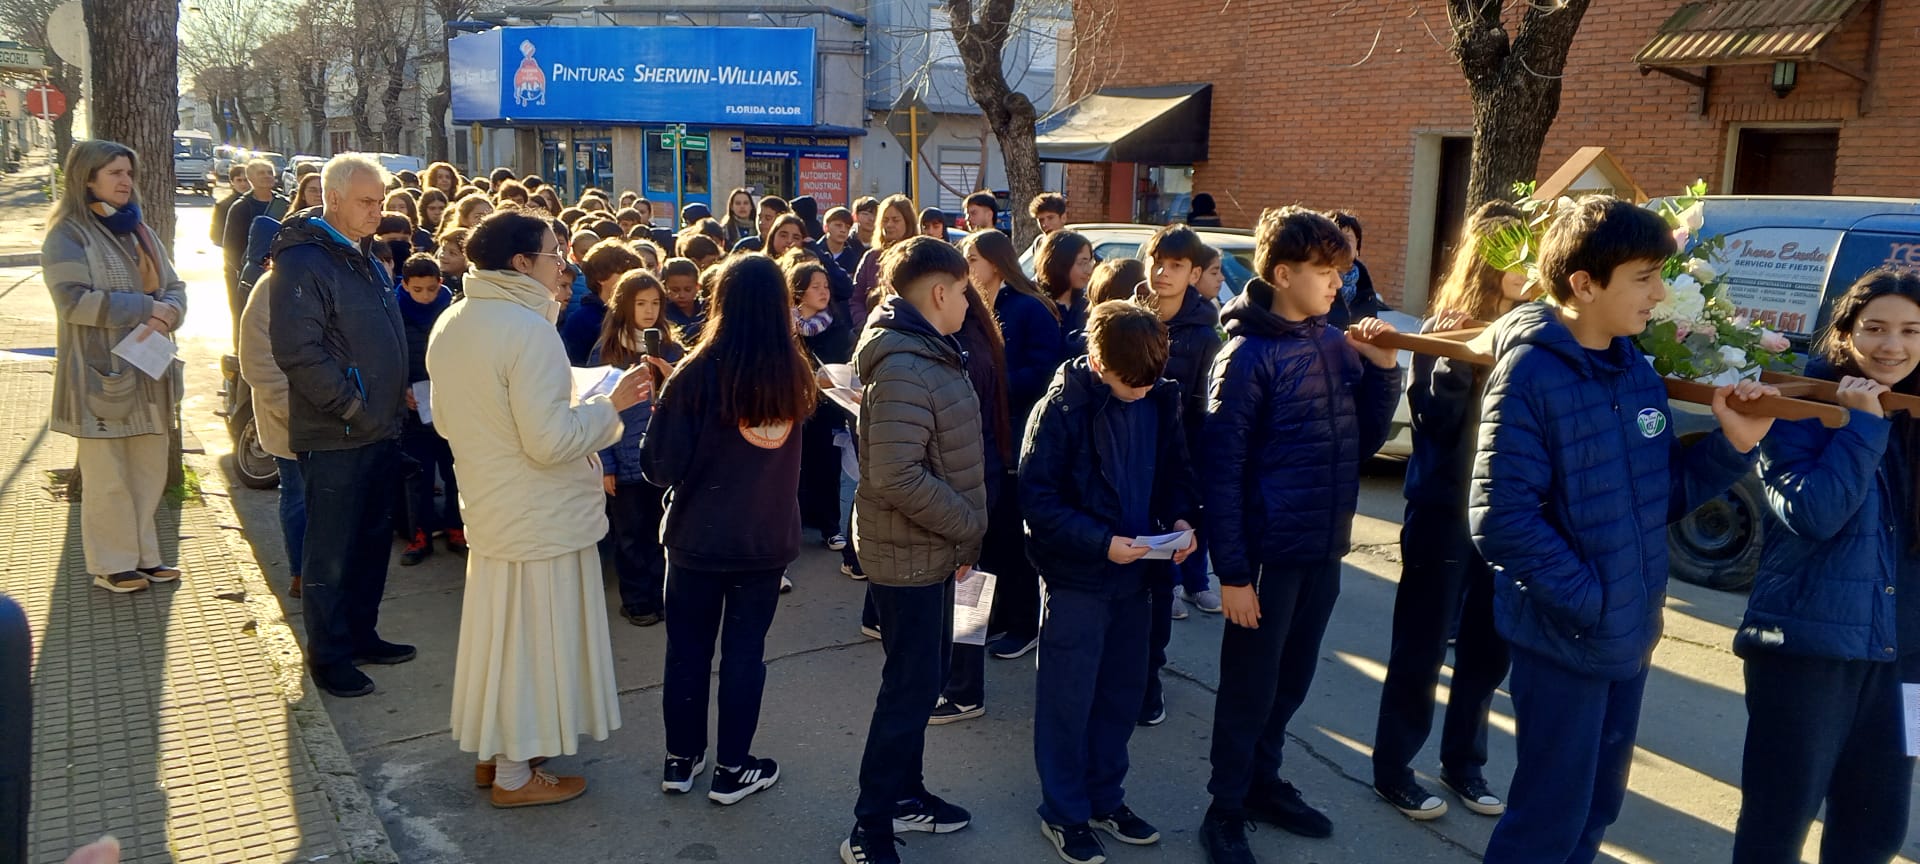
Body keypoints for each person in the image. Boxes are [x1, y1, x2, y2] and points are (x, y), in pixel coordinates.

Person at [1470, 197, 1776, 863]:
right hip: (1567, 635)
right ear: (1585, 283)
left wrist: (1731, 446)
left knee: (1594, 809)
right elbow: (1500, 519)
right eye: (1643, 277)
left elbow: (1655, 496)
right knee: (1547, 819)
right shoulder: (1531, 372)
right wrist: (1595, 602)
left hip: (1626, 635)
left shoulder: (1633, 370)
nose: (1660, 294)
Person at [1197, 207, 1403, 864]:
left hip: (1323, 548)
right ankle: (1224, 808)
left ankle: (1263, 782)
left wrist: (1381, 371)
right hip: (1265, 558)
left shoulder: (1331, 342)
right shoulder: (1246, 357)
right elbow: (1221, 473)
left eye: (1340, 272)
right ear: (1283, 274)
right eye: (1324, 272)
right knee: (1250, 686)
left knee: (1291, 682)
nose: (1337, 284)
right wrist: (1231, 573)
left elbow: (1363, 442)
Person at [429, 208, 649, 808]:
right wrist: (614, 405)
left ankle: (498, 752)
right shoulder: (527, 330)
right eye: (556, 254)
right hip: (540, 513)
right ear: (521, 263)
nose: (565, 266)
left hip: (494, 504)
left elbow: (448, 420)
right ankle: (515, 774)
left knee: (500, 637)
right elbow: (550, 440)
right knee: (531, 643)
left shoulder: (454, 320)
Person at [1731, 267, 1920, 863]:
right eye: (1876, 328)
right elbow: (1813, 513)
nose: (1893, 345)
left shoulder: (1915, 412)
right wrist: (1862, 428)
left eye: (1912, 330)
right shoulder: (1798, 406)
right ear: (1844, 334)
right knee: (1777, 819)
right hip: (1807, 649)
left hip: (1905, 663)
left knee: (1878, 821)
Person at [1370, 202, 1531, 822]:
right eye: (1517, 261)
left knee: (1490, 648)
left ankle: (1465, 762)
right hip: (1444, 508)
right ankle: (1393, 768)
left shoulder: (1536, 328)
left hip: (1511, 510)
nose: (1529, 272)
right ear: (1488, 264)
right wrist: (1459, 360)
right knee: (1424, 640)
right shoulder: (1446, 326)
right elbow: (1433, 424)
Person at [1023, 299, 1199, 864]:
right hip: (1078, 578)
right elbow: (1038, 502)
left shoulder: (1159, 396)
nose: (1142, 392)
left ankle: (1105, 798)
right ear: (1097, 362)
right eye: (1130, 384)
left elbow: (1175, 473)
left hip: (1141, 574)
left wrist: (1180, 520)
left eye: (1149, 383)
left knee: (1122, 695)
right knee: (1068, 699)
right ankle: (1065, 811)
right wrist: (1101, 543)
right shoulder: (1061, 409)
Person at [643, 254, 816, 806]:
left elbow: (658, 466)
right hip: (763, 539)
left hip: (697, 538)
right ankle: (733, 767)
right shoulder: (794, 372)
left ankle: (681, 759)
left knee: (687, 653)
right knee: (745, 655)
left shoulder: (697, 372)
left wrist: (661, 405)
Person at [841, 236, 988, 864]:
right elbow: (896, 476)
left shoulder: (924, 350)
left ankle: (905, 795)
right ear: (938, 292)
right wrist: (966, 526)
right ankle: (869, 828)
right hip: (911, 551)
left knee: (920, 681)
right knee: (909, 688)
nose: (967, 303)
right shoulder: (905, 363)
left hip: (928, 547)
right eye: (963, 292)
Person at [268, 153, 414, 699]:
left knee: (372, 541)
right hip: (337, 433)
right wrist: (352, 406)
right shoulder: (305, 260)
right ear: (332, 199)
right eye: (366, 201)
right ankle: (328, 656)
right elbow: (297, 352)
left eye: (381, 201)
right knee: (330, 549)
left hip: (379, 428)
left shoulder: (367, 258)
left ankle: (361, 634)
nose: (378, 211)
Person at [43, 139, 188, 595]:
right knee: (107, 475)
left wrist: (169, 311)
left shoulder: (141, 229)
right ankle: (112, 563)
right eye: (114, 173)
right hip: (97, 377)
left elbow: (176, 286)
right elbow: (73, 302)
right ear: (87, 179)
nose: (126, 181)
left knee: (149, 470)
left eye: (128, 173)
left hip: (150, 371)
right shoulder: (68, 233)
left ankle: (146, 556)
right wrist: (146, 307)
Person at [1138, 224, 1224, 720]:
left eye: (1174, 266)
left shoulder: (1203, 332)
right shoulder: (1127, 316)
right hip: (1123, 463)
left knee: (1159, 583)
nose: (1162, 273)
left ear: (1194, 273)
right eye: (1157, 262)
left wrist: (1191, 486)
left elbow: (1206, 414)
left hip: (1175, 469)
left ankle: (1151, 676)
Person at [594, 270, 684, 627]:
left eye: (655, 303)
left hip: (661, 458)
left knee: (662, 533)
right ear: (624, 306)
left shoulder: (672, 347)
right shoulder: (607, 351)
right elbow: (596, 407)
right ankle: (636, 601)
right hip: (624, 459)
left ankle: (663, 596)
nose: (649, 311)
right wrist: (606, 464)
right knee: (630, 537)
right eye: (640, 303)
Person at [237, 239, 306, 600]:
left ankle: (328, 575)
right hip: (290, 419)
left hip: (336, 419)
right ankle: (300, 573)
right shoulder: (271, 288)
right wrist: (289, 407)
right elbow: (256, 360)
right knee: (298, 494)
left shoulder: (337, 277)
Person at [395, 254, 464, 567]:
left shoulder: (452, 311)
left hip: (449, 407)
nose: (425, 296)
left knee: (454, 473)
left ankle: (455, 528)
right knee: (420, 477)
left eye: (431, 289)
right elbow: (387, 360)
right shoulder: (393, 312)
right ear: (405, 284)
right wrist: (401, 393)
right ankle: (420, 533)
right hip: (413, 412)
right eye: (417, 289)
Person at [224, 158, 290, 342]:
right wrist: (246, 270)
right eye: (261, 173)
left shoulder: (284, 204)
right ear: (250, 177)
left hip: (279, 272)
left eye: (269, 172)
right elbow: (231, 246)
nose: (267, 176)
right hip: (247, 274)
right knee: (246, 319)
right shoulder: (240, 207)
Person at [561, 239, 645, 365]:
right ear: (601, 277)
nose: (631, 279)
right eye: (623, 272)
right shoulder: (582, 320)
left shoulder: (640, 315)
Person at [1035, 230, 1095, 370]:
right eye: (1081, 263)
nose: (1088, 270)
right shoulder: (1037, 305)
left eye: (1090, 262)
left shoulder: (1087, 305)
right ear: (1061, 263)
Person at [855, 195, 918, 327]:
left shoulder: (918, 256)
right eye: (885, 220)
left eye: (895, 220)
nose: (889, 225)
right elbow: (856, 299)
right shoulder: (871, 257)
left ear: (908, 222)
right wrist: (865, 323)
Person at [1328, 211, 1383, 329]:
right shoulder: (1320, 284)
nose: (1342, 246)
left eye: (1347, 239)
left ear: (1357, 244)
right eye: (1337, 239)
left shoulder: (1364, 283)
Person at [660, 256, 706, 344]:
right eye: (675, 290)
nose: (681, 295)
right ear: (664, 288)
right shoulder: (662, 313)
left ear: (698, 287)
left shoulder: (707, 309)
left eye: (688, 289)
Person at [210, 163, 250, 249]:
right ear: (232, 182)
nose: (243, 184)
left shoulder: (260, 201)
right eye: (239, 180)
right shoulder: (223, 205)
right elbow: (215, 235)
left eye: (246, 180)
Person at [824, 206, 865, 276]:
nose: (843, 230)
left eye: (847, 227)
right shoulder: (814, 252)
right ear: (826, 227)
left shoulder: (854, 257)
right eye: (838, 225)